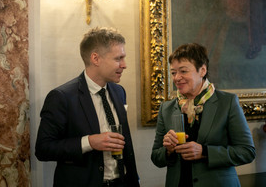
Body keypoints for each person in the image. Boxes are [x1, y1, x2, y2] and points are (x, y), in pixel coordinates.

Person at [35, 27, 140, 187]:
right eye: (118, 58)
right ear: (95, 59)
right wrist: (89, 142)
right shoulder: (61, 97)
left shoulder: (119, 92)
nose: (124, 65)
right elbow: (43, 149)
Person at [151, 43, 256, 187]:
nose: (177, 78)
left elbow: (247, 152)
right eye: (173, 72)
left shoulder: (227, 102)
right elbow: (156, 157)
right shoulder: (166, 108)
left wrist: (205, 152)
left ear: (202, 70)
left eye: (183, 71)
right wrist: (168, 151)